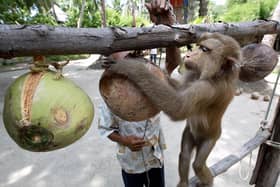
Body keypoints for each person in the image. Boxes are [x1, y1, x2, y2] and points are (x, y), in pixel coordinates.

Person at [98, 101, 166, 187]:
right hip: (131, 162)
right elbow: (105, 129)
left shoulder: (155, 90)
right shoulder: (111, 98)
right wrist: (124, 140)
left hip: (155, 156)